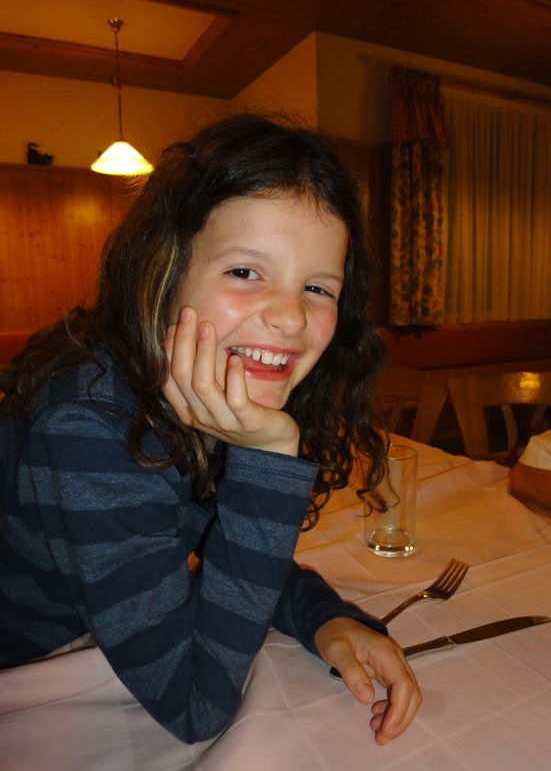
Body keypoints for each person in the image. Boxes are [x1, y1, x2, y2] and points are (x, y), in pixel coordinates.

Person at [0, 113, 421, 757]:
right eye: (245, 272)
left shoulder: (200, 389)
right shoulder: (89, 424)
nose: (290, 316)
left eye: (317, 287)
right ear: (164, 270)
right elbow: (195, 702)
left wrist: (323, 616)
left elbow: (208, 542)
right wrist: (268, 458)